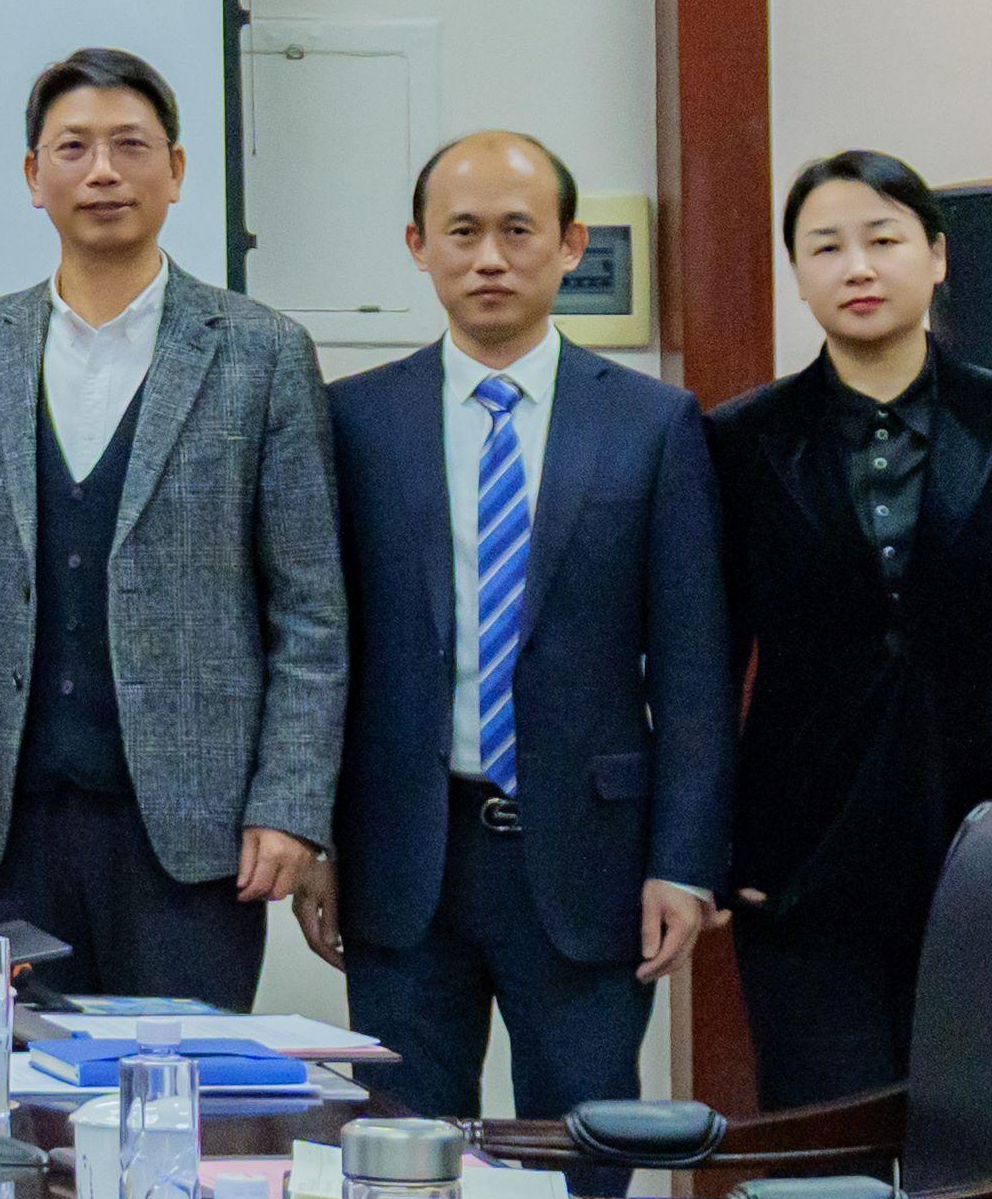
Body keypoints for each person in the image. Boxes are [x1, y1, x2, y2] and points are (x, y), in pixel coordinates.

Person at [303, 134, 727, 1144]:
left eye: (516, 230)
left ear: (570, 244)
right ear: (417, 246)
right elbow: (318, 647)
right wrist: (312, 832)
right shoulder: (354, 420)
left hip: (591, 860)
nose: (488, 257)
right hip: (403, 854)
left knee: (585, 1161)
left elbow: (693, 664)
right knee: (403, 1160)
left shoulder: (651, 423)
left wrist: (683, 860)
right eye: (461, 232)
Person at [709, 150, 992, 1106]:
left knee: (986, 1141)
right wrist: (718, 848)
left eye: (883, 239)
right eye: (826, 246)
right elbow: (710, 661)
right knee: (820, 1149)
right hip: (802, 859)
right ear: (797, 273)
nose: (857, 267)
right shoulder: (742, 439)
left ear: (937, 256)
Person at [0, 46, 346, 1012]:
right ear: (33, 175)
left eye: (130, 145)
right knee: (14, 1089)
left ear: (178, 169)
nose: (103, 171)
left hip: (194, 840)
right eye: (73, 148)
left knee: (182, 1087)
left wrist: (289, 805)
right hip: (9, 832)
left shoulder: (262, 353)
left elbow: (311, 611)